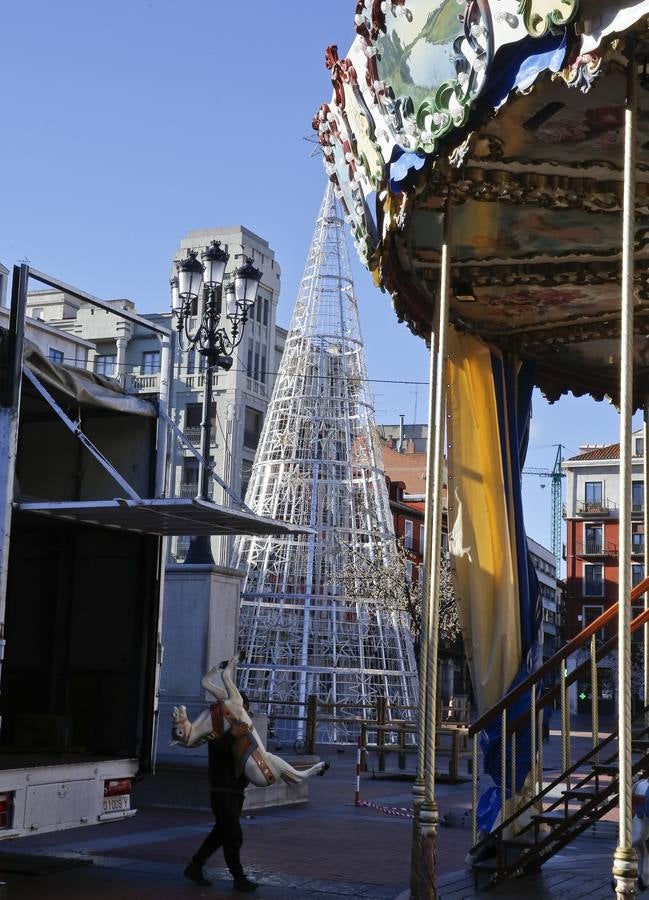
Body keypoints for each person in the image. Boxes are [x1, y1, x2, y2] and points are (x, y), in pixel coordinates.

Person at [184, 693, 258, 893]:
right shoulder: (219, 728)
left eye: (247, 709)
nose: (246, 712)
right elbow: (217, 749)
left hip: (236, 790)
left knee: (220, 833)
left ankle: (195, 866)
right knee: (233, 834)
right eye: (243, 708)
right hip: (222, 789)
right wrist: (231, 734)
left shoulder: (244, 729)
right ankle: (238, 877)